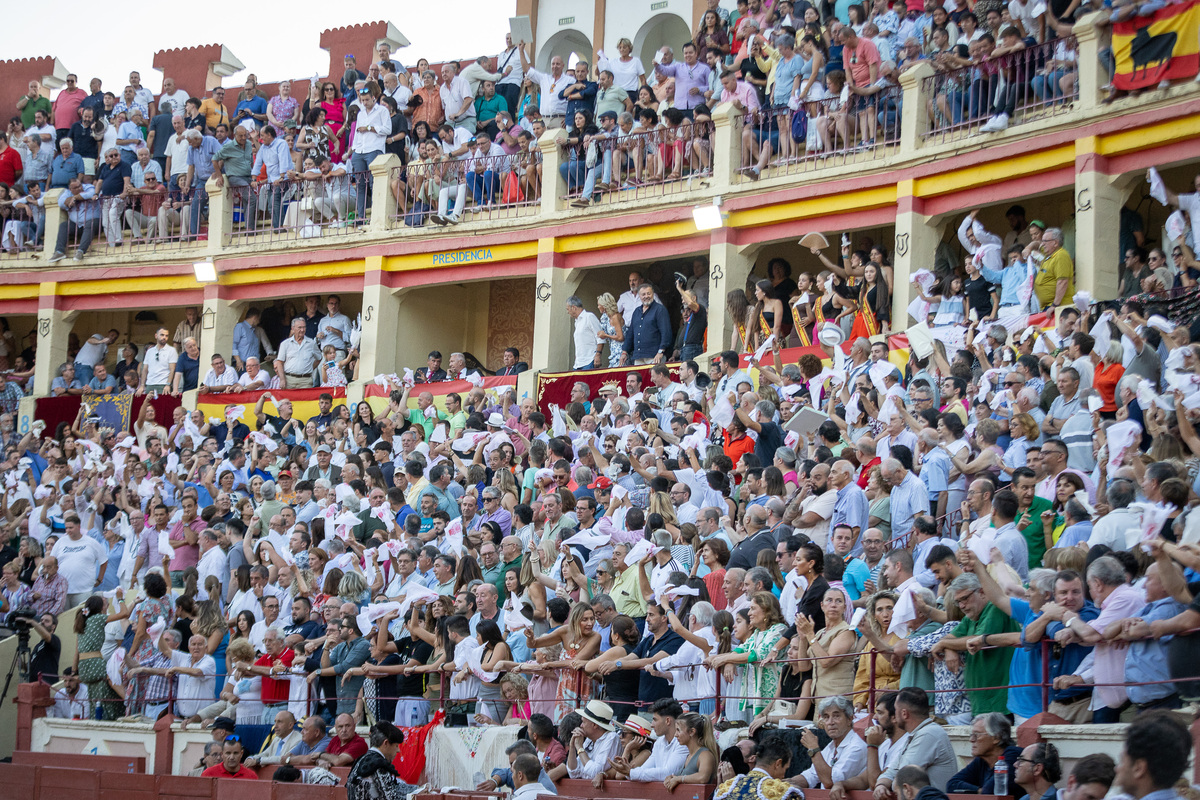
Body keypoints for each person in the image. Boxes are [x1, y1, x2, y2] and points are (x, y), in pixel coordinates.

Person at [345, 721, 417, 800]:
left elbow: (394, 786)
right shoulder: (379, 765)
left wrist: (419, 789)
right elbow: (392, 797)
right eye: (396, 746)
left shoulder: (361, 760)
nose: (398, 750)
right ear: (385, 743)